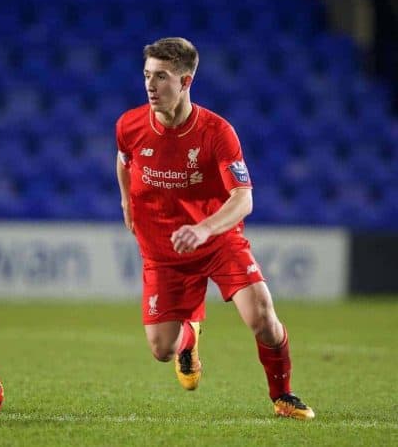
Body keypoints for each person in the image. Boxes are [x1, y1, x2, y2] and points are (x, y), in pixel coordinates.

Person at [115, 37, 314, 420]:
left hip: (217, 239)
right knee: (162, 350)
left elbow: (243, 198)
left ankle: (283, 395)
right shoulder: (129, 125)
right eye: (146, 76)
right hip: (162, 250)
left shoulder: (216, 132)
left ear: (186, 81)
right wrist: (126, 199)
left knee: (262, 317)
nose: (150, 86)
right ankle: (189, 339)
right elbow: (123, 161)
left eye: (161, 77)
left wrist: (205, 229)